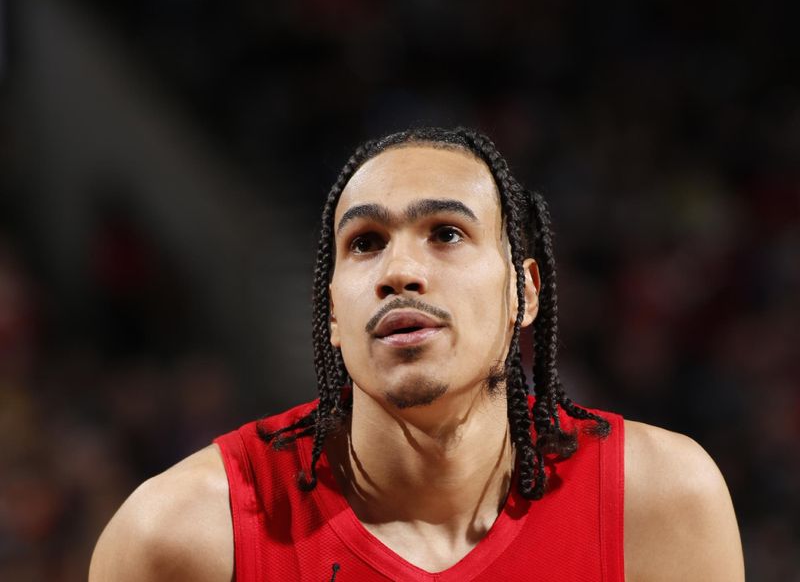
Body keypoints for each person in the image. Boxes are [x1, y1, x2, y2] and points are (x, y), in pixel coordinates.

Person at [89, 128, 745, 581]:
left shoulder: (659, 505)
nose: (400, 270)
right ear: (333, 317)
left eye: (447, 233)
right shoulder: (182, 537)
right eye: (366, 242)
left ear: (525, 291)